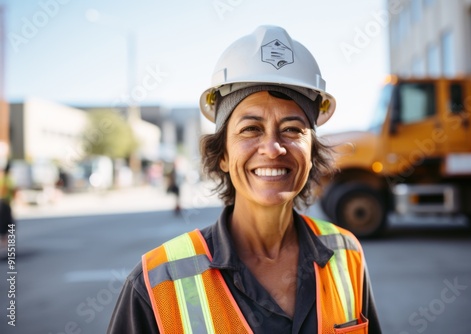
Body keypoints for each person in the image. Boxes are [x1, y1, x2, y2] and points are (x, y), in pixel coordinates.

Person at [108, 25, 381, 333]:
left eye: (292, 129)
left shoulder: (347, 255)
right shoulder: (156, 283)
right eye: (251, 129)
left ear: (312, 151)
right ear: (222, 154)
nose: (273, 148)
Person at [0, 161, 16, 255]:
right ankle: (5, 244)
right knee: (8, 224)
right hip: (5, 204)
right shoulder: (9, 179)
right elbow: (14, 191)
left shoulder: (1, 179)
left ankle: (4, 242)